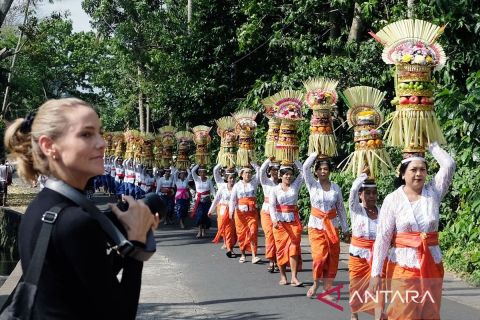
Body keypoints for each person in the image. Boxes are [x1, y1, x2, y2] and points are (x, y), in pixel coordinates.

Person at [4, 98, 158, 319]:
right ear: (49, 146)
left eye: (99, 132)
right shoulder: (74, 221)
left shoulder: (41, 207)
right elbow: (120, 314)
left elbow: (78, 278)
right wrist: (137, 242)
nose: (102, 143)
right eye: (86, 134)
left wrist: (127, 239)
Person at [369, 142, 455, 320]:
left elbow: (449, 165)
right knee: (403, 314)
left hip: (431, 263)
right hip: (403, 265)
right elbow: (383, 238)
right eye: (413, 169)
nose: (418, 174)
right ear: (402, 173)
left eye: (422, 169)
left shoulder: (433, 193)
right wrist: (376, 273)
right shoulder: (392, 200)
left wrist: (431, 145)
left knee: (430, 313)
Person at [303, 152, 350, 299]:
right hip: (316, 226)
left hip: (332, 226)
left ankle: (326, 288)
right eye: (320, 169)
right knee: (319, 257)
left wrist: (345, 228)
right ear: (316, 171)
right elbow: (305, 167)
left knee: (332, 258)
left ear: (330, 171)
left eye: (326, 169)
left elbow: (341, 208)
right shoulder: (312, 184)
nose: (323, 171)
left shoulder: (336, 188)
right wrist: (316, 154)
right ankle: (316, 283)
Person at [348, 171, 385, 320]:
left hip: (377, 256)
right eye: (367, 193)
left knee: (379, 288)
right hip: (358, 256)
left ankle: (378, 316)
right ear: (360, 195)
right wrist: (363, 175)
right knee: (355, 287)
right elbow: (352, 192)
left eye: (374, 193)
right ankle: (354, 313)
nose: (371, 196)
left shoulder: (383, 211)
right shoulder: (357, 209)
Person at [269, 161, 304, 286]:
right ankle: (283, 276)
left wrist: (294, 159)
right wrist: (274, 220)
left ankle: (294, 277)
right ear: (280, 176)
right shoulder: (274, 189)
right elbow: (272, 206)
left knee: (294, 248)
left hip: (294, 222)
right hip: (280, 223)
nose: (288, 176)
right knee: (281, 250)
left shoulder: (295, 186)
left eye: (290, 174)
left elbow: (304, 171)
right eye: (285, 174)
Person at [229, 163, 261, 264]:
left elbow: (259, 170)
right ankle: (243, 254)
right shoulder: (237, 185)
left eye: (250, 173)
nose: (248, 174)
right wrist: (231, 211)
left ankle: (254, 255)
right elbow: (233, 200)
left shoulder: (254, 182)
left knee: (253, 232)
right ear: (241, 174)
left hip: (252, 213)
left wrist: (251, 161)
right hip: (240, 214)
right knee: (241, 234)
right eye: (246, 173)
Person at [208, 168, 237, 258]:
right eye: (230, 178)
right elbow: (216, 199)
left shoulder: (237, 187)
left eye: (233, 178)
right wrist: (210, 210)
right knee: (223, 228)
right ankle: (229, 247)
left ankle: (230, 247)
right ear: (227, 178)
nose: (232, 180)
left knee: (231, 230)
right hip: (222, 210)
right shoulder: (222, 187)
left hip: (234, 210)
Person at [259, 158, 280, 272]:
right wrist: (269, 159)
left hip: (279, 213)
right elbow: (261, 170)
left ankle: (278, 259)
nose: (276, 172)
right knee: (270, 236)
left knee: (278, 237)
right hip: (267, 212)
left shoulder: (283, 183)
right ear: (270, 170)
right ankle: (271, 260)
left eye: (278, 170)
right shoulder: (266, 181)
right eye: (273, 169)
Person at [191, 164, 215, 238]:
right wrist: (199, 163)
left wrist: (215, 200)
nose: (202, 174)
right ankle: (199, 231)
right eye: (200, 172)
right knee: (199, 216)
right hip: (199, 201)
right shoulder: (197, 179)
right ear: (199, 173)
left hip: (207, 200)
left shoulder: (209, 181)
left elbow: (213, 191)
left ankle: (204, 230)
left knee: (205, 216)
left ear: (205, 173)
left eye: (204, 172)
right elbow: (192, 171)